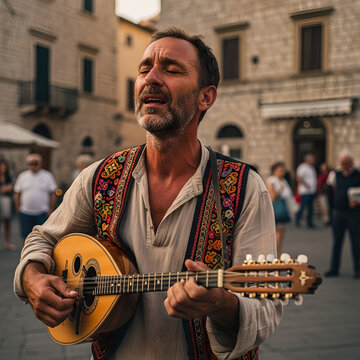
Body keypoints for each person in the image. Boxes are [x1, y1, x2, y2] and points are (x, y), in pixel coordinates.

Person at [13, 28, 282, 360]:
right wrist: (33, 278)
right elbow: (43, 239)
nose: (150, 78)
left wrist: (221, 303)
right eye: (144, 69)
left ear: (205, 97)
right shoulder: (99, 177)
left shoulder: (244, 188)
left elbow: (265, 311)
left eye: (171, 69)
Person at [325, 152, 360, 278]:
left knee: (356, 241)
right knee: (337, 242)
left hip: (354, 213)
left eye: (347, 163)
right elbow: (331, 190)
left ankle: (358, 268)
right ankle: (334, 268)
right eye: (343, 163)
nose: (344, 165)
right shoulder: (335, 174)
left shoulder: (357, 175)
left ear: (351, 163)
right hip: (338, 212)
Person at [13, 153, 57, 241]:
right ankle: (26, 254)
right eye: (30, 163)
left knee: (43, 237)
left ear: (40, 164)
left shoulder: (47, 176)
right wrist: (18, 208)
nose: (32, 166)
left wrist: (50, 208)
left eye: (35, 163)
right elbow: (17, 193)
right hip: (25, 212)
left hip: (42, 212)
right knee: (25, 237)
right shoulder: (23, 176)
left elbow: (52, 193)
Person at [266, 162, 297, 254]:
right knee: (277, 236)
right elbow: (273, 196)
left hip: (283, 210)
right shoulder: (272, 180)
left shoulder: (283, 180)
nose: (282, 172)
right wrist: (280, 189)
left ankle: (277, 254)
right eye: (280, 170)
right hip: (276, 210)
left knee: (280, 235)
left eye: (283, 170)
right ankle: (276, 256)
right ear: (274, 171)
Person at [295, 153, 317, 228]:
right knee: (303, 206)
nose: (313, 161)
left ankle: (309, 222)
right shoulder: (302, 167)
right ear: (308, 160)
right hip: (305, 191)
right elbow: (299, 178)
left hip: (312, 191)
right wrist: (306, 185)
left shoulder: (312, 168)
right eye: (312, 159)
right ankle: (297, 219)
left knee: (311, 208)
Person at [0, 159, 16, 251]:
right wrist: (5, 188)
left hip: (6, 200)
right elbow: (8, 187)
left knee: (7, 223)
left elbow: (11, 187)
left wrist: (4, 189)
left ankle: (8, 243)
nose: (3, 168)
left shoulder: (8, 176)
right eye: (1, 166)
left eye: (4, 167)